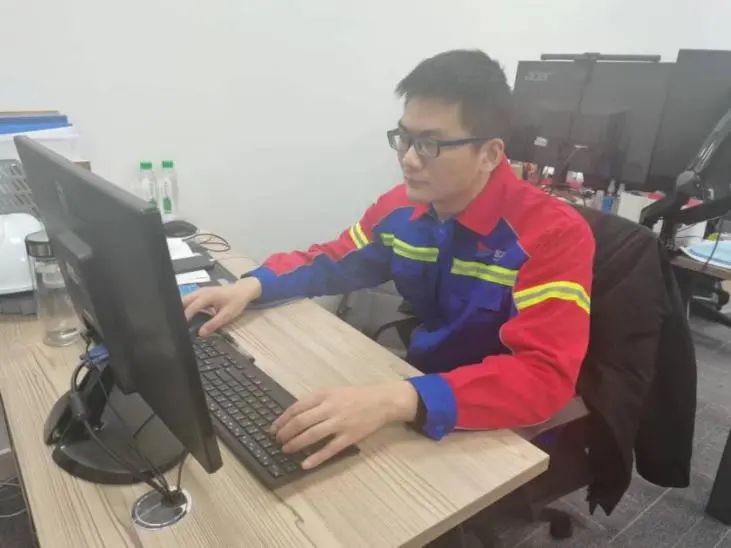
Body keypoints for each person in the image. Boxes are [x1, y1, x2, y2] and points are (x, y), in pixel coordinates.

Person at [183, 49, 595, 471]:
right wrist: (251, 286)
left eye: (430, 143)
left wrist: (397, 398)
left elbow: (544, 378)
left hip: (500, 421)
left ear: (490, 154)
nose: (409, 159)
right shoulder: (403, 207)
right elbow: (335, 259)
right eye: (404, 138)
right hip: (416, 391)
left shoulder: (551, 234)